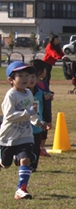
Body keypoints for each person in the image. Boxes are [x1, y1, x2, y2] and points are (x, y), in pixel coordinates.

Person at [0, 61, 48, 199]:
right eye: (20, 75)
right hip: (8, 137)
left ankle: (21, 189)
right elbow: (8, 116)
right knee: (5, 164)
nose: (25, 78)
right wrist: (26, 113)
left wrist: (39, 122)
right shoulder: (11, 95)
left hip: (25, 135)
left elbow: (31, 114)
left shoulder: (28, 93)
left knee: (26, 160)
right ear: (11, 80)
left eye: (27, 75)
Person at [31, 59, 54, 157]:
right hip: (36, 111)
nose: (46, 72)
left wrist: (49, 96)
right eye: (45, 69)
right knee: (35, 130)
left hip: (46, 109)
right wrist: (45, 97)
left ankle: (41, 147)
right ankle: (34, 147)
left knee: (45, 129)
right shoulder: (32, 84)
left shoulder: (44, 83)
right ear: (40, 71)